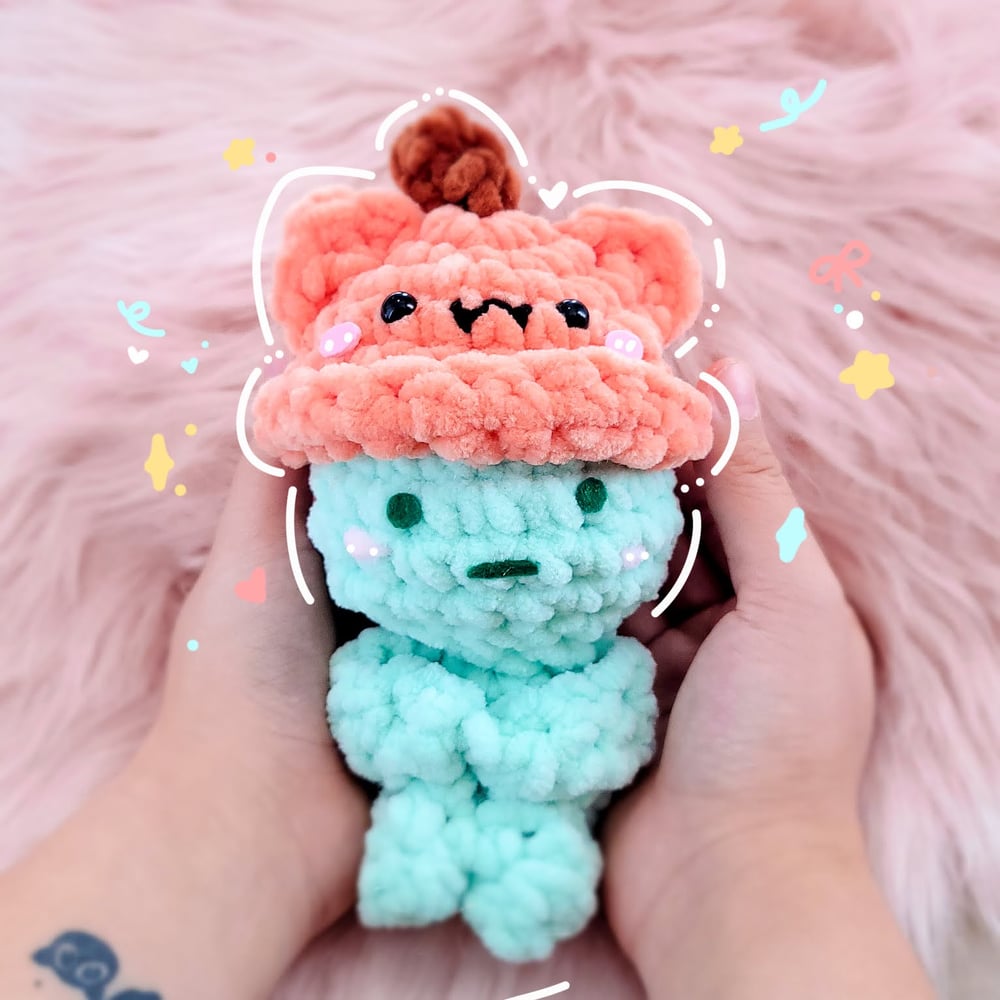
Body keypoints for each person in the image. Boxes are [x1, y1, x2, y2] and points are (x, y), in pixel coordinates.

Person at [0, 360, 937, 1000]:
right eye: (406, 508)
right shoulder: (389, 673)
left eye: (589, 495)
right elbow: (381, 715)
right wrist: (759, 837)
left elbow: (603, 730)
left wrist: (752, 825)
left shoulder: (608, 680)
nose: (507, 556)